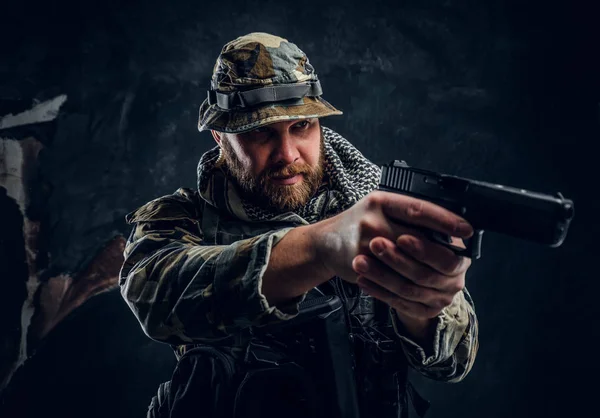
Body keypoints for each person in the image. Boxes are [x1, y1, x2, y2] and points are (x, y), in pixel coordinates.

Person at [119, 32, 479, 418]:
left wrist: (421, 304)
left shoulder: (376, 212)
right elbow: (156, 298)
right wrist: (321, 247)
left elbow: (452, 363)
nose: (287, 154)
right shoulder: (181, 219)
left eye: (302, 126)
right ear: (220, 136)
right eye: (260, 132)